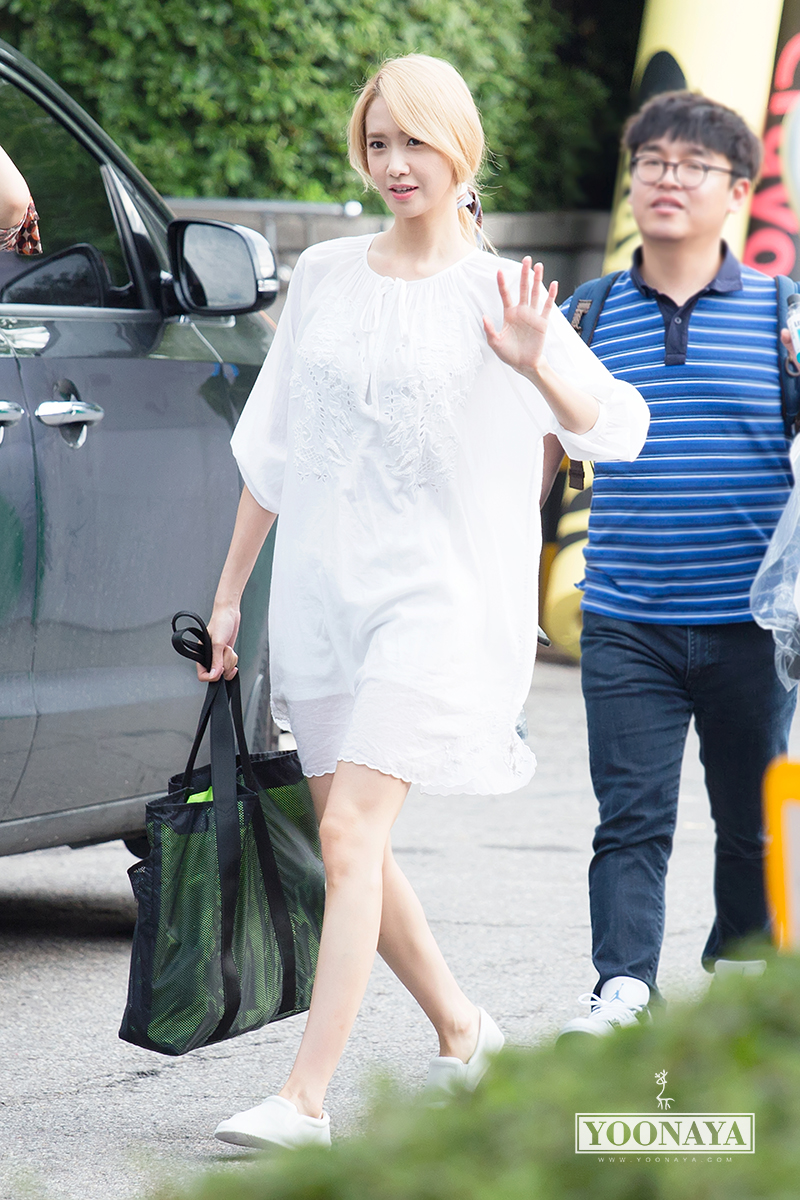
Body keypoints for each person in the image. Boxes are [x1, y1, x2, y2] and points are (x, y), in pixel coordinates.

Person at [200, 53, 649, 1147]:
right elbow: (272, 450)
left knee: (350, 830)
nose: (396, 163)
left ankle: (304, 1100)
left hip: (441, 600)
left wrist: (538, 363)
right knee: (350, 842)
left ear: (461, 149)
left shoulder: (501, 292)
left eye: (416, 141)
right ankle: (462, 1031)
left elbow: (618, 428)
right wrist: (227, 598)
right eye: (378, 142)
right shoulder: (324, 275)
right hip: (322, 597)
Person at [555, 91, 797, 1040]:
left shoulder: (782, 316)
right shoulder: (588, 312)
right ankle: (623, 988)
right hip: (626, 618)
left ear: (737, 191)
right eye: (652, 161)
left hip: (752, 625)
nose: (668, 179)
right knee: (630, 817)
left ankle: (742, 967)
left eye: (694, 166)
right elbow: (541, 454)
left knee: (752, 817)